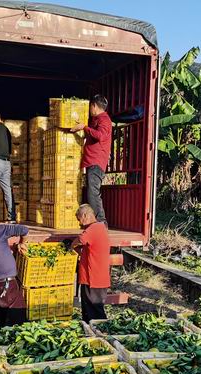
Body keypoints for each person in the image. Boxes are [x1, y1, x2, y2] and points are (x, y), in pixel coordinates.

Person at [71, 95, 112, 225]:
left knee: (93, 193)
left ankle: (100, 222)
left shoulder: (104, 120)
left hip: (96, 161)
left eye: (90, 107)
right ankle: (96, 222)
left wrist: (85, 127)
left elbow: (100, 136)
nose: (89, 109)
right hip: (91, 161)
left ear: (94, 105)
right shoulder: (97, 120)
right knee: (91, 191)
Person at [71, 204, 110, 322]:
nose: (79, 223)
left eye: (79, 219)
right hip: (94, 277)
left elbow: (80, 240)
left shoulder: (94, 228)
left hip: (93, 278)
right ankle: (91, 333)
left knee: (95, 311)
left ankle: (101, 334)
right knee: (89, 310)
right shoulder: (100, 227)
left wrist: (72, 245)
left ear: (85, 215)